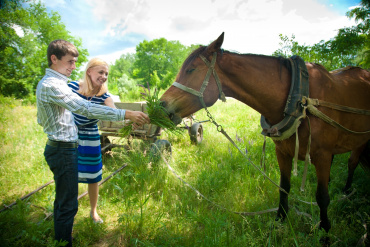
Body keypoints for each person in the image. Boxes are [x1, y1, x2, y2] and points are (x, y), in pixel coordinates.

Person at [36, 40, 150, 247]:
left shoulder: (56, 84)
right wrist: (127, 113)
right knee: (68, 202)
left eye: (75, 62)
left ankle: (64, 236)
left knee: (67, 197)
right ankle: (63, 240)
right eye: (70, 62)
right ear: (54, 59)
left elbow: (41, 118)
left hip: (67, 145)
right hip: (63, 148)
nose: (73, 66)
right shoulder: (54, 85)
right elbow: (85, 109)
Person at [67, 58, 113, 224]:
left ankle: (93, 212)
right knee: (70, 175)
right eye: (100, 72)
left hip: (91, 137)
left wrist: (130, 118)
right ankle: (68, 213)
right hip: (71, 136)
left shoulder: (104, 96)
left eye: (106, 73)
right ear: (89, 72)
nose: (104, 76)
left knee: (93, 177)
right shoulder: (72, 87)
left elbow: (115, 112)